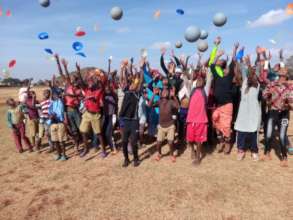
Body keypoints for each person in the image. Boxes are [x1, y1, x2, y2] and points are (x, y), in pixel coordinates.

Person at [210, 37, 239, 154]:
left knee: (226, 126)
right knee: (216, 123)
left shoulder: (229, 77)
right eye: (225, 68)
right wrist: (218, 55)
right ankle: (221, 141)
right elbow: (212, 65)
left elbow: (233, 60)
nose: (227, 69)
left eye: (228, 68)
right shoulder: (217, 76)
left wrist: (234, 49)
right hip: (218, 105)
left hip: (227, 105)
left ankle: (227, 144)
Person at [263, 66, 292, 167]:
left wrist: (288, 104)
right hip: (273, 112)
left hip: (284, 114)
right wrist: (268, 95)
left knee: (282, 136)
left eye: (284, 75)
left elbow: (292, 104)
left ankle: (284, 158)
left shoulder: (290, 87)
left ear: (286, 76)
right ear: (278, 75)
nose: (282, 77)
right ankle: (267, 152)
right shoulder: (271, 84)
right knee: (268, 134)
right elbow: (264, 95)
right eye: (280, 75)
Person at [76, 63, 107, 158]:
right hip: (87, 113)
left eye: (91, 82)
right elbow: (81, 81)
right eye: (88, 83)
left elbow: (103, 83)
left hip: (95, 115)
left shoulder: (99, 90)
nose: (89, 84)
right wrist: (78, 70)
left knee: (98, 133)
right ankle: (86, 149)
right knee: (82, 131)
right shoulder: (86, 90)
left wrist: (98, 75)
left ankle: (103, 150)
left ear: (95, 84)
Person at [55, 55, 82, 153]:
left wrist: (78, 71)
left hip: (75, 110)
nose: (72, 79)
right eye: (71, 78)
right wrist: (59, 62)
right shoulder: (68, 85)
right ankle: (76, 144)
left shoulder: (78, 89)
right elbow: (62, 73)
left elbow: (79, 98)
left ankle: (84, 142)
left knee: (81, 128)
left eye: (74, 78)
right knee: (73, 129)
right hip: (68, 110)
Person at [119, 61, 143, 167]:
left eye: (134, 83)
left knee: (133, 142)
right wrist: (122, 69)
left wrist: (141, 69)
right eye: (131, 83)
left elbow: (141, 81)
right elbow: (122, 80)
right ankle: (126, 159)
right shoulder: (126, 91)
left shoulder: (137, 93)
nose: (132, 84)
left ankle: (136, 159)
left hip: (134, 121)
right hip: (124, 120)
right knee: (124, 142)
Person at [234, 64, 261, 161]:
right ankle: (241, 150)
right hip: (243, 111)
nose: (250, 75)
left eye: (252, 73)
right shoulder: (244, 82)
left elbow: (258, 69)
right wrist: (242, 61)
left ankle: (254, 151)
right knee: (241, 130)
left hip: (253, 111)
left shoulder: (257, 83)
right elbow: (242, 69)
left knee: (253, 131)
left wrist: (259, 56)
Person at [150, 87, 179, 162]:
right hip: (161, 126)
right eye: (163, 91)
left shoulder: (171, 101)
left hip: (170, 125)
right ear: (161, 94)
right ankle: (159, 154)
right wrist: (153, 94)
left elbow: (178, 107)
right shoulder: (159, 101)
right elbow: (150, 105)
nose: (165, 92)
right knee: (158, 143)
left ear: (169, 93)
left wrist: (174, 96)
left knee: (170, 142)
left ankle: (172, 154)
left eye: (167, 91)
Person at [186, 74, 208, 165]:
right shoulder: (192, 90)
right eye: (198, 80)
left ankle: (198, 158)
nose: (199, 81)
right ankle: (192, 150)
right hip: (190, 119)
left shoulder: (205, 91)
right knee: (190, 140)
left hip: (201, 120)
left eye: (201, 80)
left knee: (199, 140)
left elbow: (209, 76)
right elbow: (187, 80)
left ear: (204, 83)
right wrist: (185, 71)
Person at [48, 91, 68, 161]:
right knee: (55, 140)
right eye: (53, 95)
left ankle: (64, 155)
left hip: (60, 123)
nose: (54, 96)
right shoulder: (51, 104)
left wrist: (65, 120)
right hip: (53, 123)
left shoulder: (61, 102)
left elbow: (64, 111)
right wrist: (51, 116)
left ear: (59, 95)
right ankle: (59, 154)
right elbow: (49, 113)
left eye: (56, 95)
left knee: (61, 140)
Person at [103, 83, 118, 154]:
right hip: (106, 116)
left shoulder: (113, 95)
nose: (107, 89)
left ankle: (114, 148)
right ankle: (112, 147)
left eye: (108, 88)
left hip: (113, 116)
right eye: (105, 88)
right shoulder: (104, 95)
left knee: (109, 133)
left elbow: (116, 105)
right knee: (107, 133)